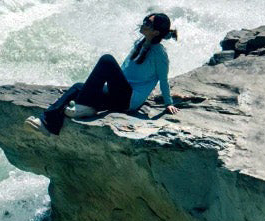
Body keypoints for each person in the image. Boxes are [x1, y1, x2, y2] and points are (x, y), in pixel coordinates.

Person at [26, 12, 178, 136]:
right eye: (145, 20)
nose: (144, 23)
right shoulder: (140, 43)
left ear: (156, 32)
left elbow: (163, 80)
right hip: (119, 94)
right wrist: (102, 87)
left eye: (148, 23)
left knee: (107, 60)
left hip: (129, 100)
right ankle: (48, 123)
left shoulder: (159, 55)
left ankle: (85, 106)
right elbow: (125, 71)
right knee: (78, 86)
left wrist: (168, 103)